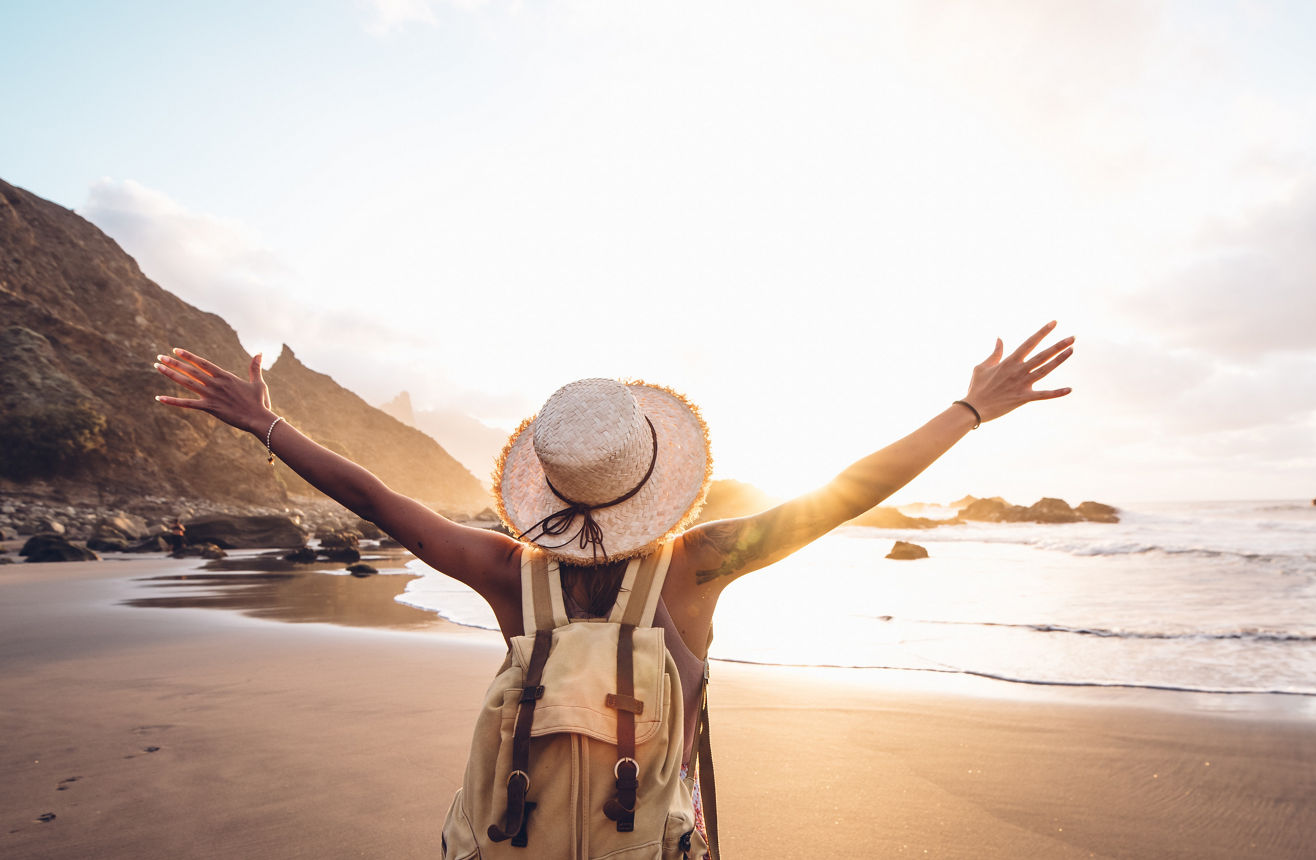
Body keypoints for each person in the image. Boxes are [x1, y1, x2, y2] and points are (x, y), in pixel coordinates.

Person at [152, 321, 1075, 849]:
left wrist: (266, 427)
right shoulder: (699, 564)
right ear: (658, 475)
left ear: (548, 487)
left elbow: (379, 499)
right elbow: (845, 494)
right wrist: (969, 412)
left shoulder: (508, 572)